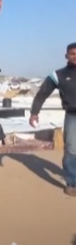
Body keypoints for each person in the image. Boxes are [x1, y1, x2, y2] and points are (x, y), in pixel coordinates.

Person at [28, 42, 76, 195]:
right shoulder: (58, 75)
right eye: (72, 54)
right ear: (66, 56)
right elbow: (42, 94)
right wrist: (34, 112)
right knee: (71, 150)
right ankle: (72, 183)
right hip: (72, 116)